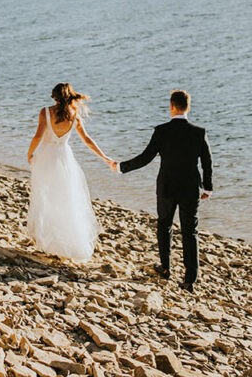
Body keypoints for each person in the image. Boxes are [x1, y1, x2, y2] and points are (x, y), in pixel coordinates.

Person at [113, 90, 213, 290]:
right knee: (190, 231)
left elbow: (145, 158)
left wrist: (121, 167)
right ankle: (189, 279)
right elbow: (207, 161)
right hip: (190, 188)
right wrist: (208, 187)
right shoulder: (199, 132)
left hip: (167, 186)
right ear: (188, 107)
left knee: (164, 225)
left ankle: (165, 267)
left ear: (172, 106)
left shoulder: (161, 131)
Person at [25, 83, 116, 262]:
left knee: (45, 197)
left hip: (45, 157)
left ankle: (47, 239)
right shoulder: (75, 116)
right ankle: (64, 241)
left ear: (54, 97)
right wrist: (104, 157)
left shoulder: (45, 112)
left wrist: (30, 154)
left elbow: (37, 136)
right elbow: (87, 141)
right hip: (64, 158)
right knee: (65, 198)